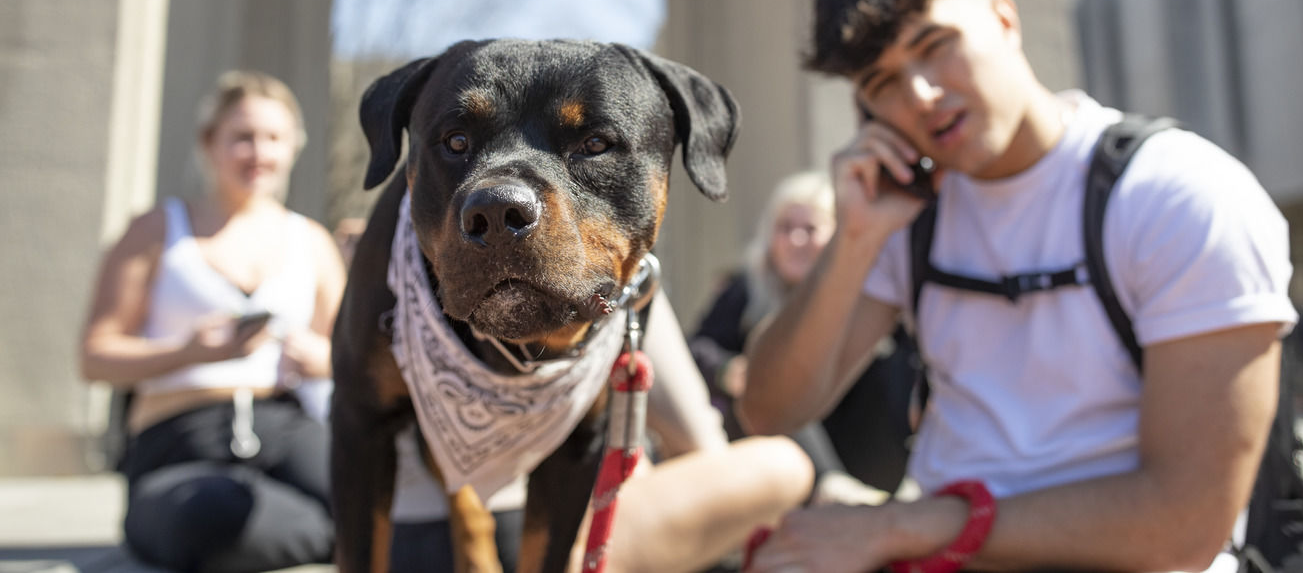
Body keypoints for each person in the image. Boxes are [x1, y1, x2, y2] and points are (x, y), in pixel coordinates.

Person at [739, 0, 1297, 573]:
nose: (919, 94)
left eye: (934, 46)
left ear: (1004, 19)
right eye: (882, 82)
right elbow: (769, 409)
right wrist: (855, 240)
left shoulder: (1175, 193)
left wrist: (906, 524)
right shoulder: (907, 217)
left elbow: (1181, 525)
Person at [80, 70, 346, 572]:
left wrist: (322, 359)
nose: (258, 152)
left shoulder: (311, 241)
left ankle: (318, 524)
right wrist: (191, 351)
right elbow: (95, 357)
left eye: (273, 138)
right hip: (180, 432)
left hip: (288, 426)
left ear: (293, 147)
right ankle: (330, 532)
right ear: (210, 143)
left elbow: (351, 357)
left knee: (379, 497)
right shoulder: (158, 230)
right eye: (242, 137)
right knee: (213, 519)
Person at [389, 282, 816, 573]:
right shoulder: (618, 276)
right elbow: (699, 440)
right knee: (783, 464)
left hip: (400, 534)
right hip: (529, 536)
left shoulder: (419, 247)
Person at [689, 170, 915, 497]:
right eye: (785, 228)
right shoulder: (746, 289)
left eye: (810, 229)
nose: (796, 240)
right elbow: (697, 349)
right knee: (783, 377)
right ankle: (830, 488)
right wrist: (728, 371)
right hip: (781, 444)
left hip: (857, 430)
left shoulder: (870, 286)